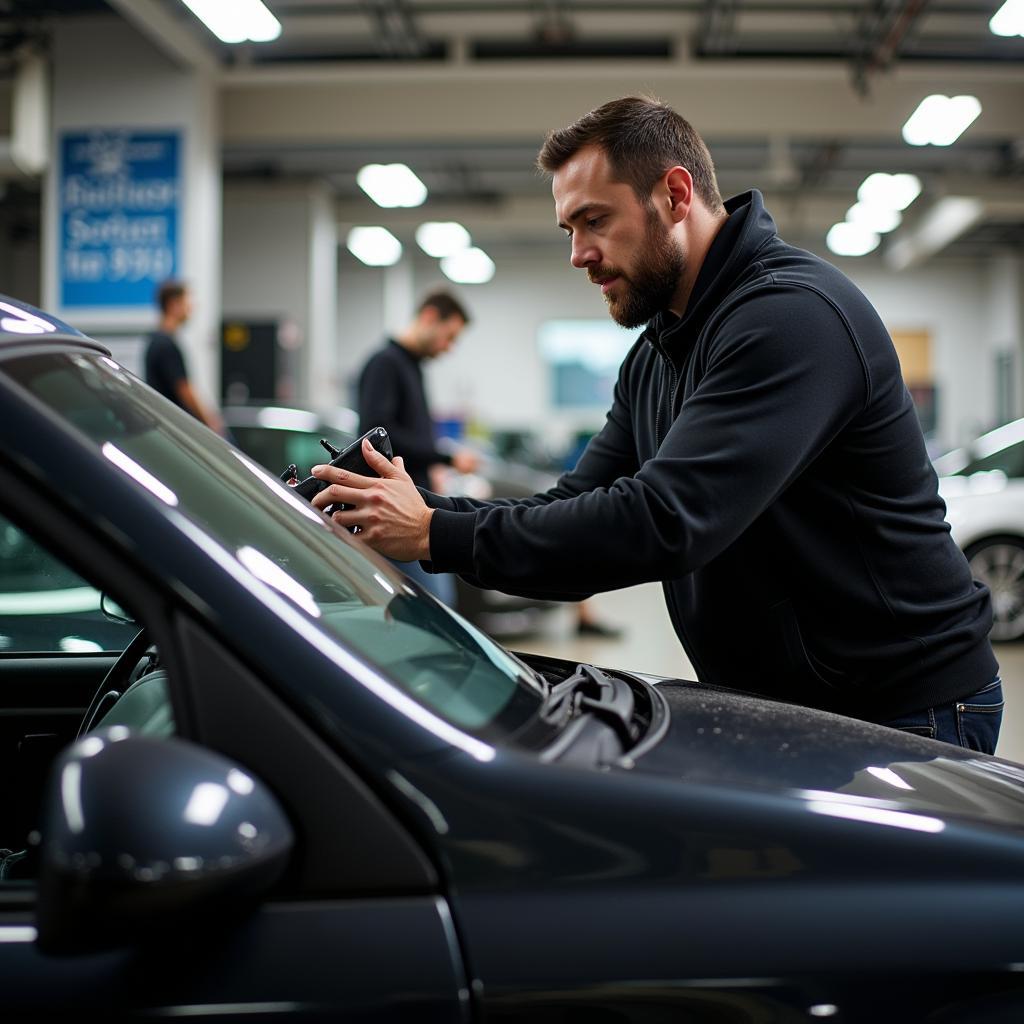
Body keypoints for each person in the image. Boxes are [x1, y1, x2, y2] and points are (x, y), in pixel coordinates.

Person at [311, 95, 1002, 753]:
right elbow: (573, 509)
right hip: (784, 703)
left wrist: (436, 531)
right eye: (569, 229)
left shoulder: (790, 319)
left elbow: (666, 521)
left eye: (594, 221)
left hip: (904, 709)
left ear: (674, 195)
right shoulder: (655, 353)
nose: (578, 253)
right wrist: (402, 511)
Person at [356, 289, 479, 603]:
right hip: (392, 508)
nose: (448, 348)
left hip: (413, 502)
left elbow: (412, 435)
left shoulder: (410, 367)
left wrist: (431, 466)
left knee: (429, 607)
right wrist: (446, 457)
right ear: (428, 317)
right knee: (435, 606)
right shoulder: (385, 364)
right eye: (449, 337)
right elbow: (377, 435)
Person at [144, 280, 225, 435]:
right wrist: (211, 423)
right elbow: (184, 389)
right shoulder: (165, 344)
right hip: (172, 429)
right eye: (187, 301)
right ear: (174, 304)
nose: (191, 308)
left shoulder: (156, 340)